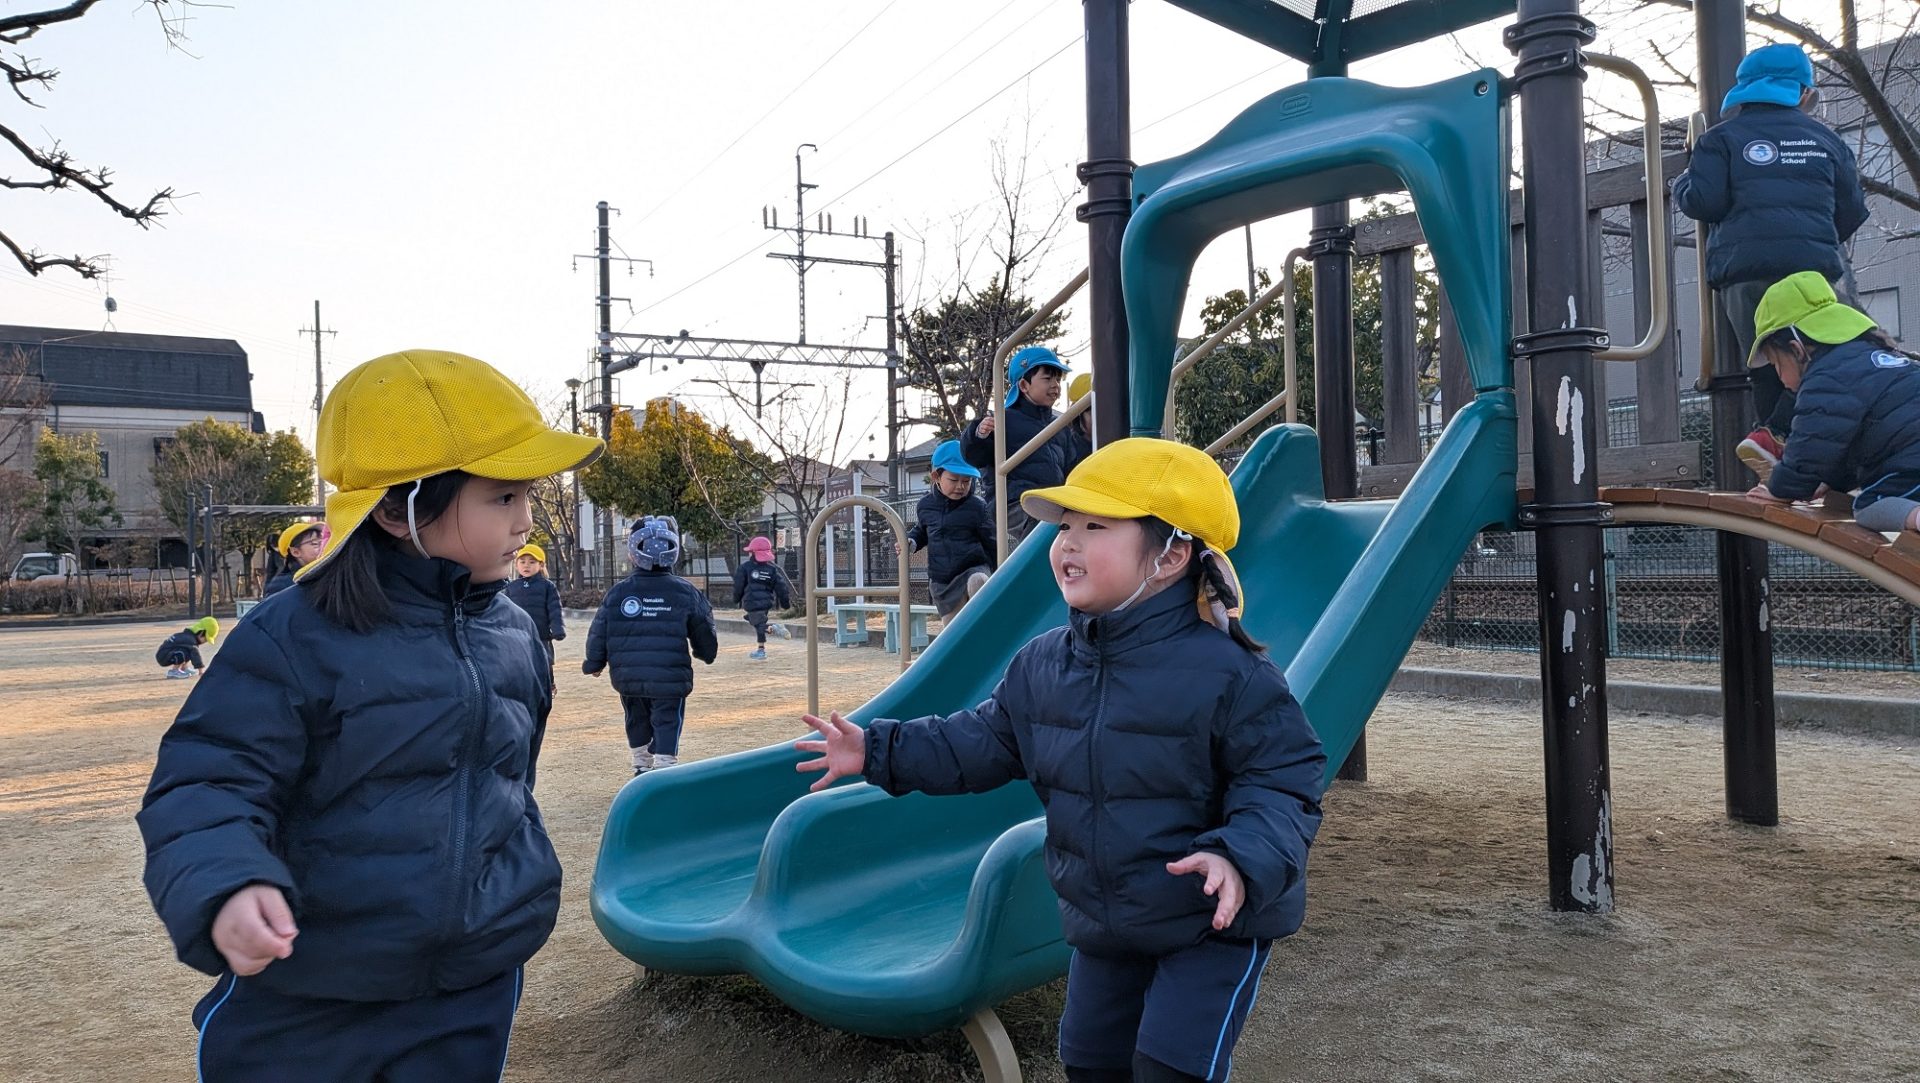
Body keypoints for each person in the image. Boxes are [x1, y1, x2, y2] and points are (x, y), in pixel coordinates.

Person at [795, 438, 1325, 1083]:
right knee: (1089, 1060)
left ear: (1170, 556)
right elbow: (978, 742)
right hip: (1105, 917)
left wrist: (1237, 857)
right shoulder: (1044, 664)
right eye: (1066, 527)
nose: (1067, 543)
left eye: (1095, 527)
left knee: (1168, 1067)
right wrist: (878, 749)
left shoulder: (1231, 674)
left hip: (1209, 920)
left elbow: (1282, 782)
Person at [137, 349, 603, 1081]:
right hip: (312, 989)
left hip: (470, 985)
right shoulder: (291, 634)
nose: (525, 520)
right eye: (502, 497)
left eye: (527, 496)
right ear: (395, 509)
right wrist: (228, 881)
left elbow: (510, 781)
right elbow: (208, 780)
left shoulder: (515, 632)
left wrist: (513, 887)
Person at [1671, 41, 1870, 482]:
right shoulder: (1826, 140)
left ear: (1744, 92)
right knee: (1821, 356)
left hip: (1745, 270)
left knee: (1767, 360)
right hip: (1811, 268)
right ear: (1803, 92)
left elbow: (1704, 201)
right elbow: (1853, 210)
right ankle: (1801, 449)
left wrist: (1682, 182)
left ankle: (1775, 444)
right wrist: (1811, 238)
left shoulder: (1719, 139)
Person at [1743, 272, 1920, 534]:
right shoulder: (1873, 358)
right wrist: (1830, 481)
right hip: (1909, 453)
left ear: (1797, 350)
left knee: (1869, 505)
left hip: (1912, 464)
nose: (1779, 377)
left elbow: (1810, 447)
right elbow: (1848, 443)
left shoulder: (1825, 379)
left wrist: (1781, 490)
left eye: (1775, 365)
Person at [585, 516, 720, 774]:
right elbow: (703, 626)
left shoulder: (619, 592)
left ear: (632, 554)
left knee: (635, 717)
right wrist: (706, 652)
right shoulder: (685, 592)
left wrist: (594, 661)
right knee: (668, 719)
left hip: (629, 674)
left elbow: (600, 628)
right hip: (670, 675)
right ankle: (665, 766)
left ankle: (641, 765)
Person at [960, 345, 1088, 543]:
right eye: (1047, 379)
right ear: (1023, 385)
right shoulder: (1003, 420)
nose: (1055, 385)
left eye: (1058, 379)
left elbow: (1072, 465)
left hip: (1050, 500)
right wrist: (979, 433)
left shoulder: (1059, 426)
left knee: (1078, 520)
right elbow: (975, 455)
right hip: (1015, 501)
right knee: (1046, 530)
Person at [908, 440, 995, 619]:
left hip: (972, 569)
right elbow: (922, 530)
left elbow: (991, 540)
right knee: (954, 629)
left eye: (966, 481)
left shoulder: (977, 507)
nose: (960, 486)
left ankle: (986, 620)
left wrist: (1000, 570)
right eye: (954, 480)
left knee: (978, 581)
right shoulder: (925, 505)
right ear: (936, 477)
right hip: (943, 580)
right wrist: (912, 540)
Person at [506, 542, 566, 675]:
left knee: (544, 664)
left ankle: (548, 685)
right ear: (516, 565)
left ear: (541, 565)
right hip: (517, 635)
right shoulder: (511, 587)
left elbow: (554, 610)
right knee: (520, 666)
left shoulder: (547, 586)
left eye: (532, 562)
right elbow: (505, 611)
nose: (526, 565)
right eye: (522, 562)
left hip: (541, 635)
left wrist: (558, 629)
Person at [733, 535, 793, 660]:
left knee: (759, 625)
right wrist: (785, 603)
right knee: (758, 623)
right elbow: (781, 587)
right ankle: (762, 646)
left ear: (754, 553)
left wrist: (736, 598)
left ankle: (770, 636)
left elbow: (739, 585)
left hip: (752, 602)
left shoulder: (745, 568)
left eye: (750, 551)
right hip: (766, 602)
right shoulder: (772, 569)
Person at [262, 522, 325, 598]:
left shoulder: (326, 575)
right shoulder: (281, 586)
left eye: (323, 542)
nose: (323, 547)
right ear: (296, 552)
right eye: (315, 543)